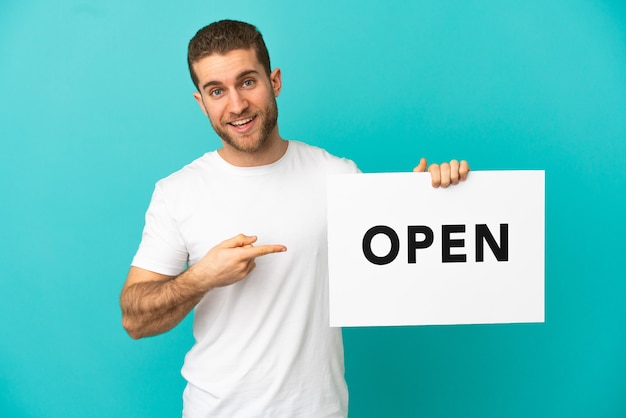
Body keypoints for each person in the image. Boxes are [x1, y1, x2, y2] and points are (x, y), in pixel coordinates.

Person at [120, 19, 469, 418]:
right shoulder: (177, 192)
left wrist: (437, 203)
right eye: (217, 91)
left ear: (275, 82)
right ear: (201, 102)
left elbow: (405, 269)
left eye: (247, 82)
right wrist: (203, 276)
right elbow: (135, 319)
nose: (236, 105)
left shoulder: (337, 176)